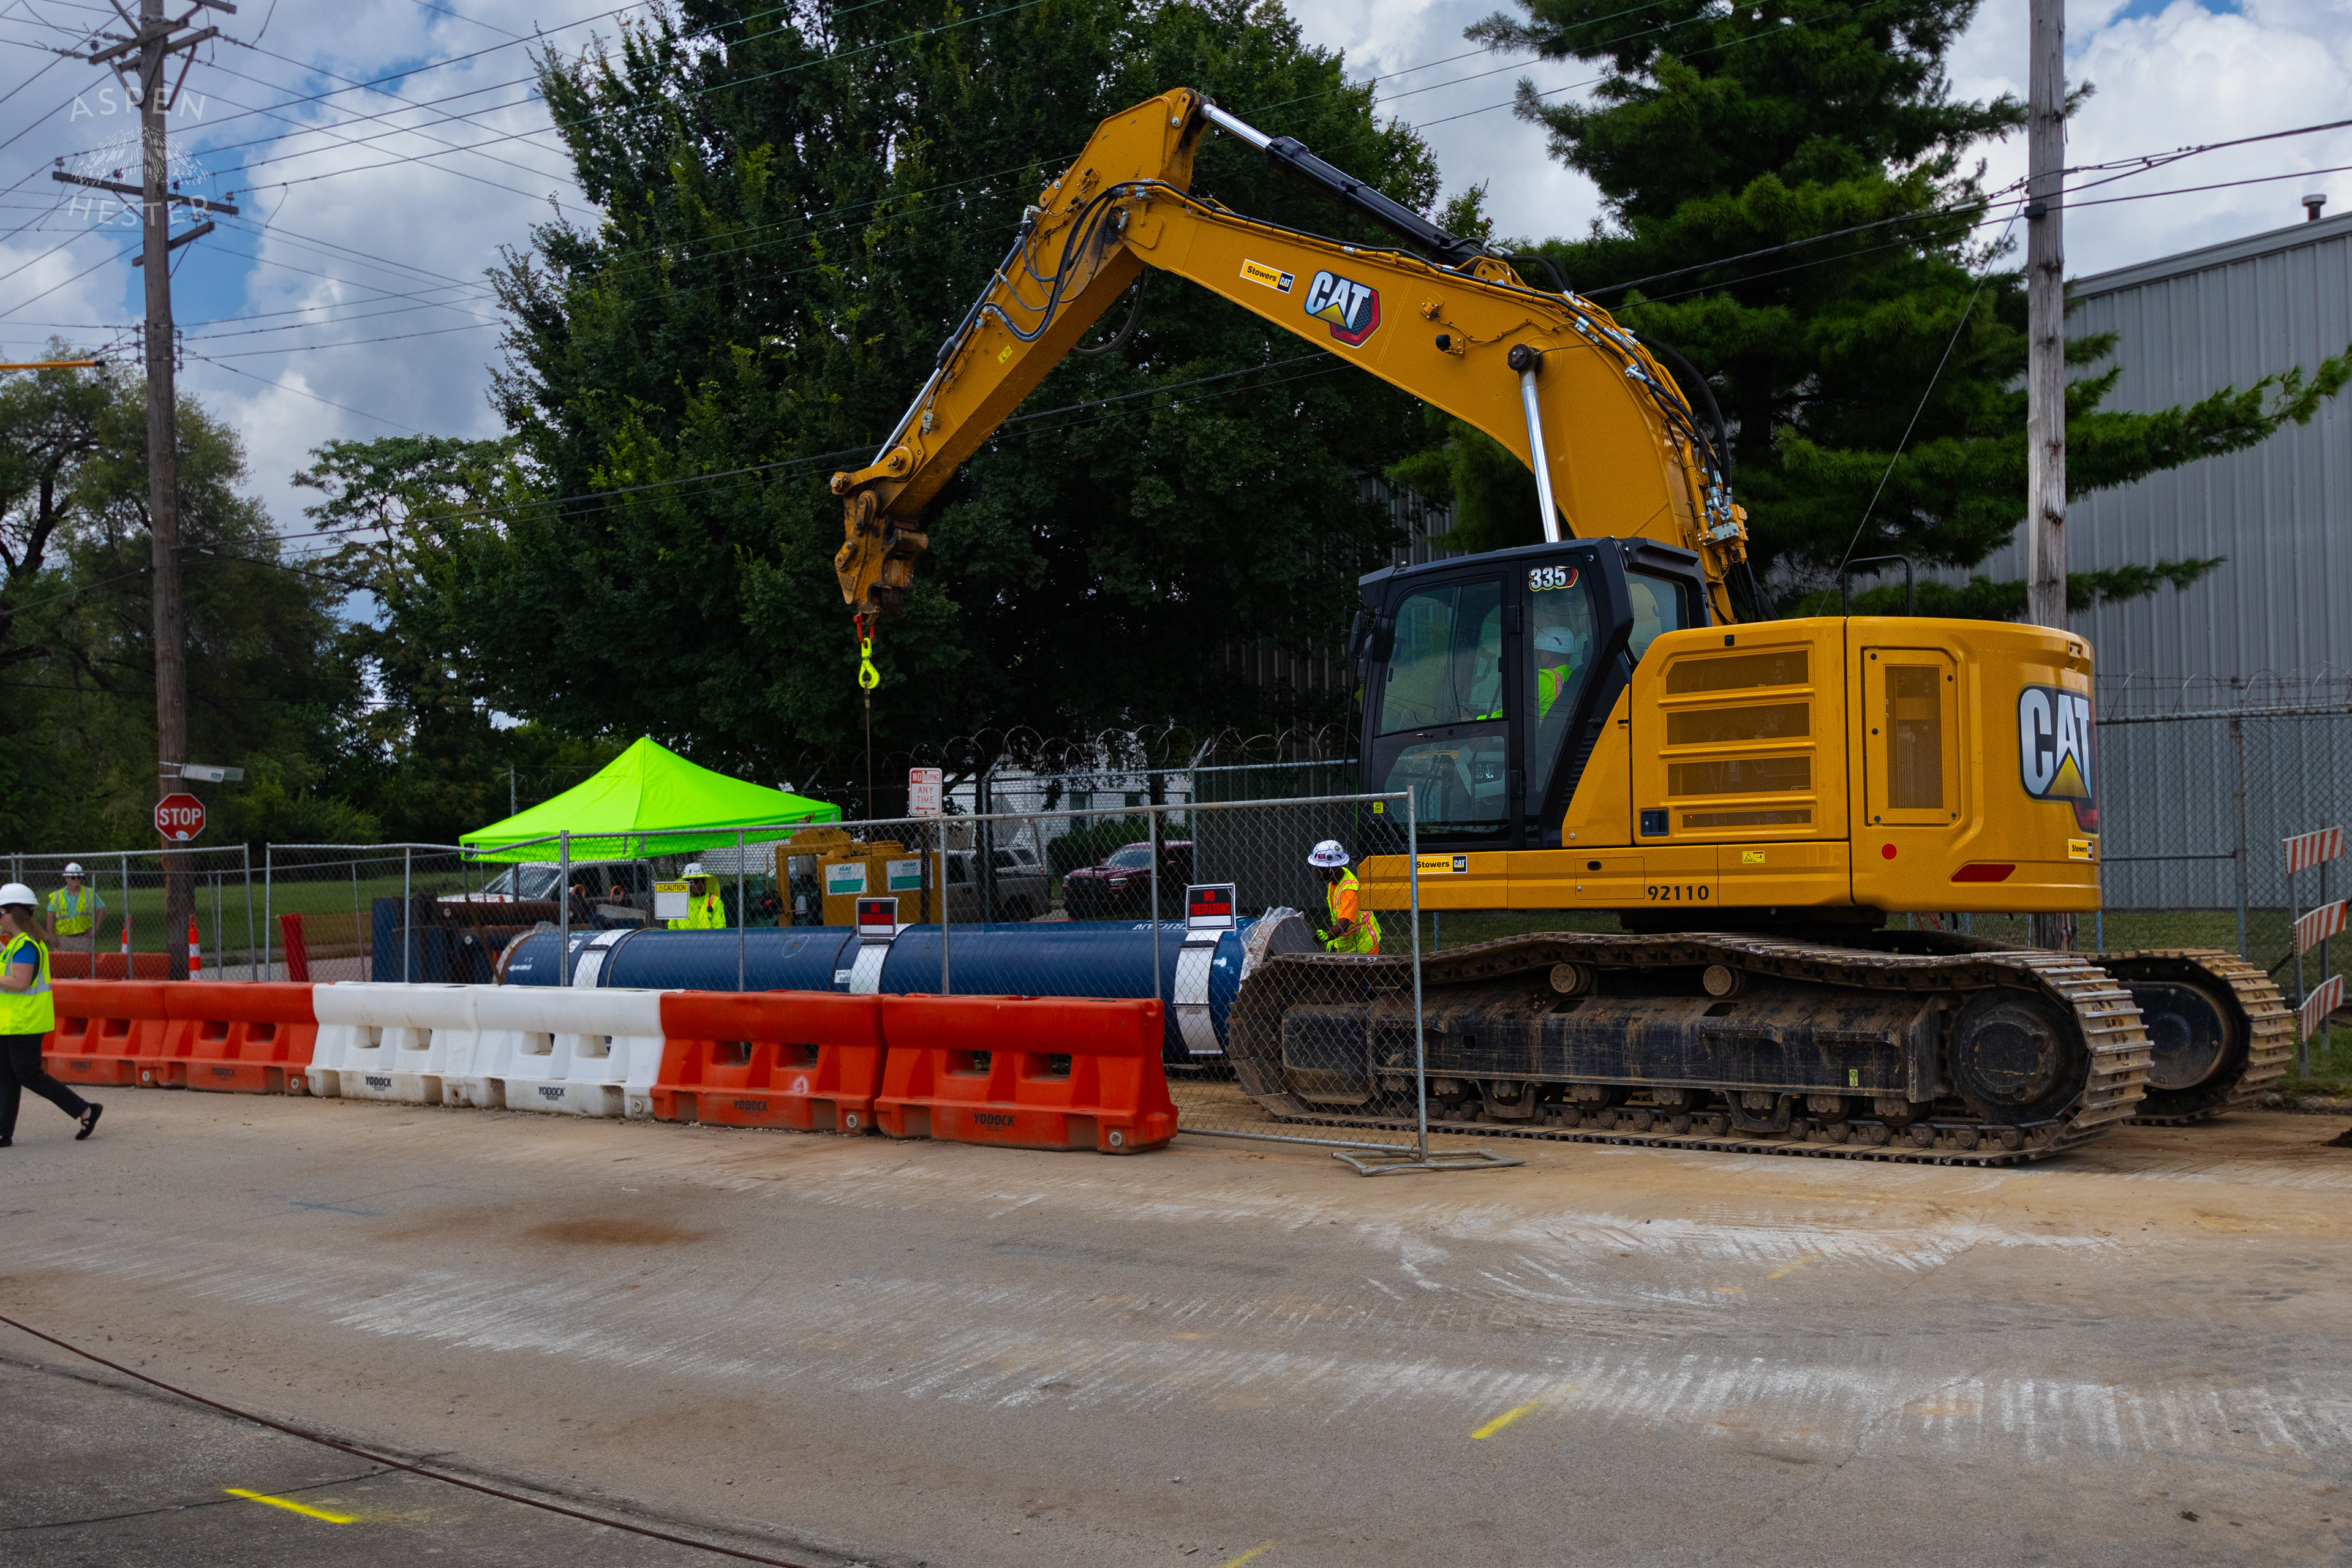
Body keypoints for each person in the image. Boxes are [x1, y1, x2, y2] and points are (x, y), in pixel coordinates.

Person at [0, 883, 99, 1147]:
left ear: (14, 913)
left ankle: (85, 1110)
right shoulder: (13, 944)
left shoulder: (26, 946)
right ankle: (3, 1132)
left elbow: (20, 983)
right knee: (6, 1077)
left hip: (26, 1022)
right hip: (9, 1022)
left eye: (0, 913)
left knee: (28, 1075)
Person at [1306, 840, 1381, 956]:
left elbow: (1343, 924)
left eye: (1320, 867)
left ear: (1332, 868)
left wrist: (1327, 937)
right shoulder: (1335, 879)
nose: (1316, 871)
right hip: (1350, 944)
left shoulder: (1349, 890)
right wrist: (1333, 941)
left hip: (1363, 946)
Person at [45, 863, 104, 961]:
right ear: (66, 879)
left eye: (79, 877)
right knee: (62, 966)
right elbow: (50, 916)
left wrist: (95, 928)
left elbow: (102, 909)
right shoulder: (57, 896)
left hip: (83, 939)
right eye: (73, 878)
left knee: (84, 966)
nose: (76, 880)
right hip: (62, 940)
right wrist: (51, 935)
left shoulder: (89, 893)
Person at [668, 864, 727, 930]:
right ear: (687, 884)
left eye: (702, 880)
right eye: (695, 881)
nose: (699, 884)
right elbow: (672, 925)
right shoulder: (680, 902)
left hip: (707, 937)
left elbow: (720, 927)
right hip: (684, 937)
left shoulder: (715, 901)